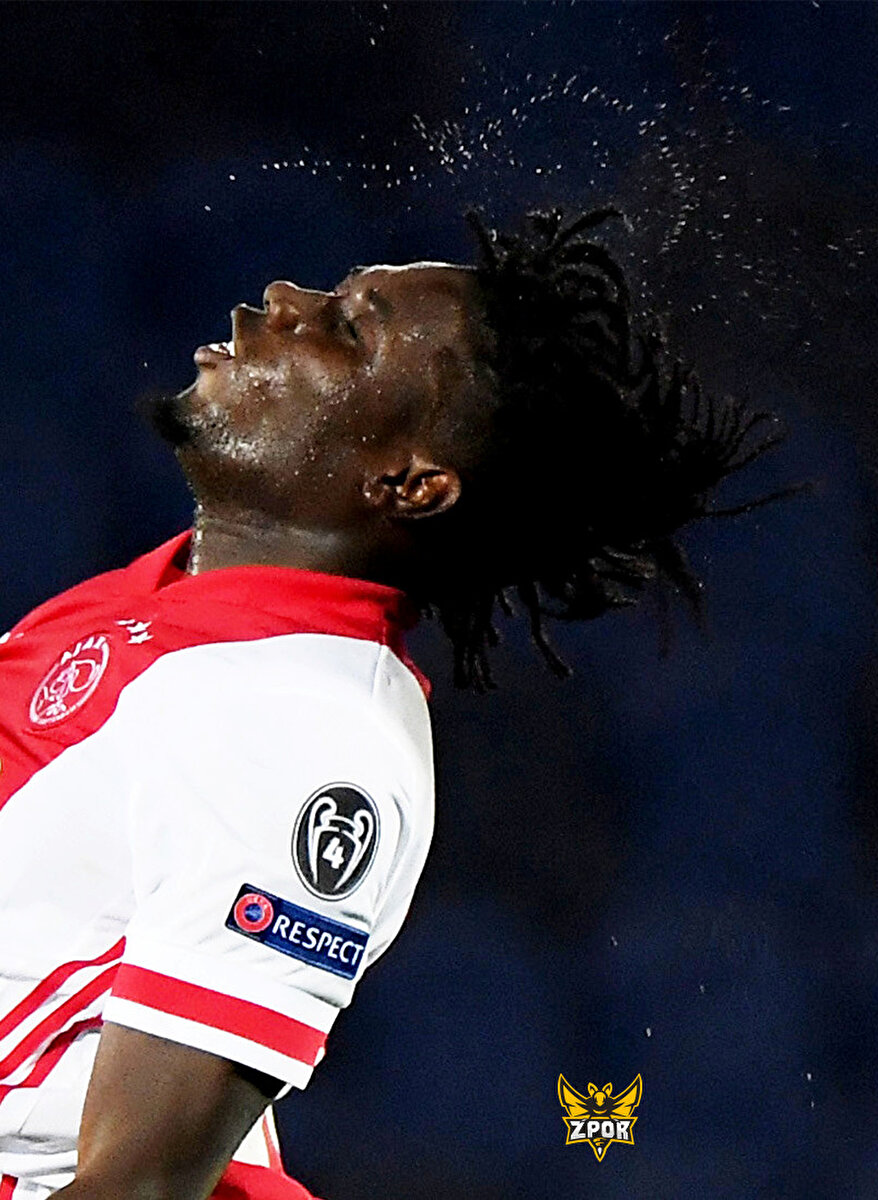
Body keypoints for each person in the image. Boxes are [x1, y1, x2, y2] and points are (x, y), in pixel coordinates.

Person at [0, 209, 780, 1200]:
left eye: (347, 330)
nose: (284, 299)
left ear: (410, 483)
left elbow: (142, 1187)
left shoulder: (309, 732)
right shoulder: (165, 600)